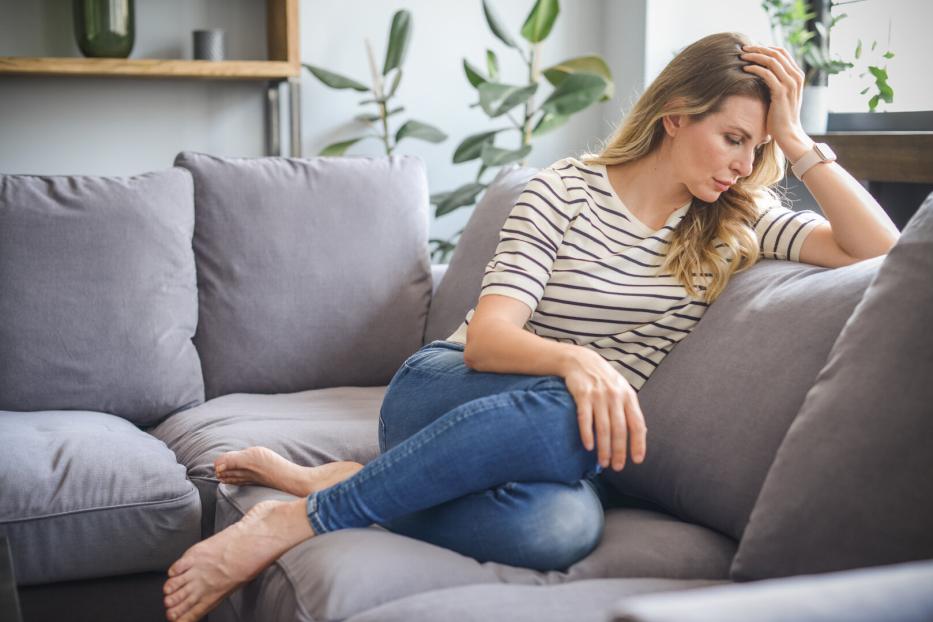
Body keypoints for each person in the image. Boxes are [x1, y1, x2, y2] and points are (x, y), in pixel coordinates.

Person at [162, 32, 900, 622]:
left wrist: (797, 141)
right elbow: (490, 339)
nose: (743, 164)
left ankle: (349, 482)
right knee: (569, 410)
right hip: (449, 390)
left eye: (758, 146)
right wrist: (581, 363)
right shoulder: (563, 191)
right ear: (676, 115)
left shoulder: (737, 221)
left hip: (566, 439)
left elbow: (882, 252)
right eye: (733, 137)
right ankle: (302, 517)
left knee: (558, 530)